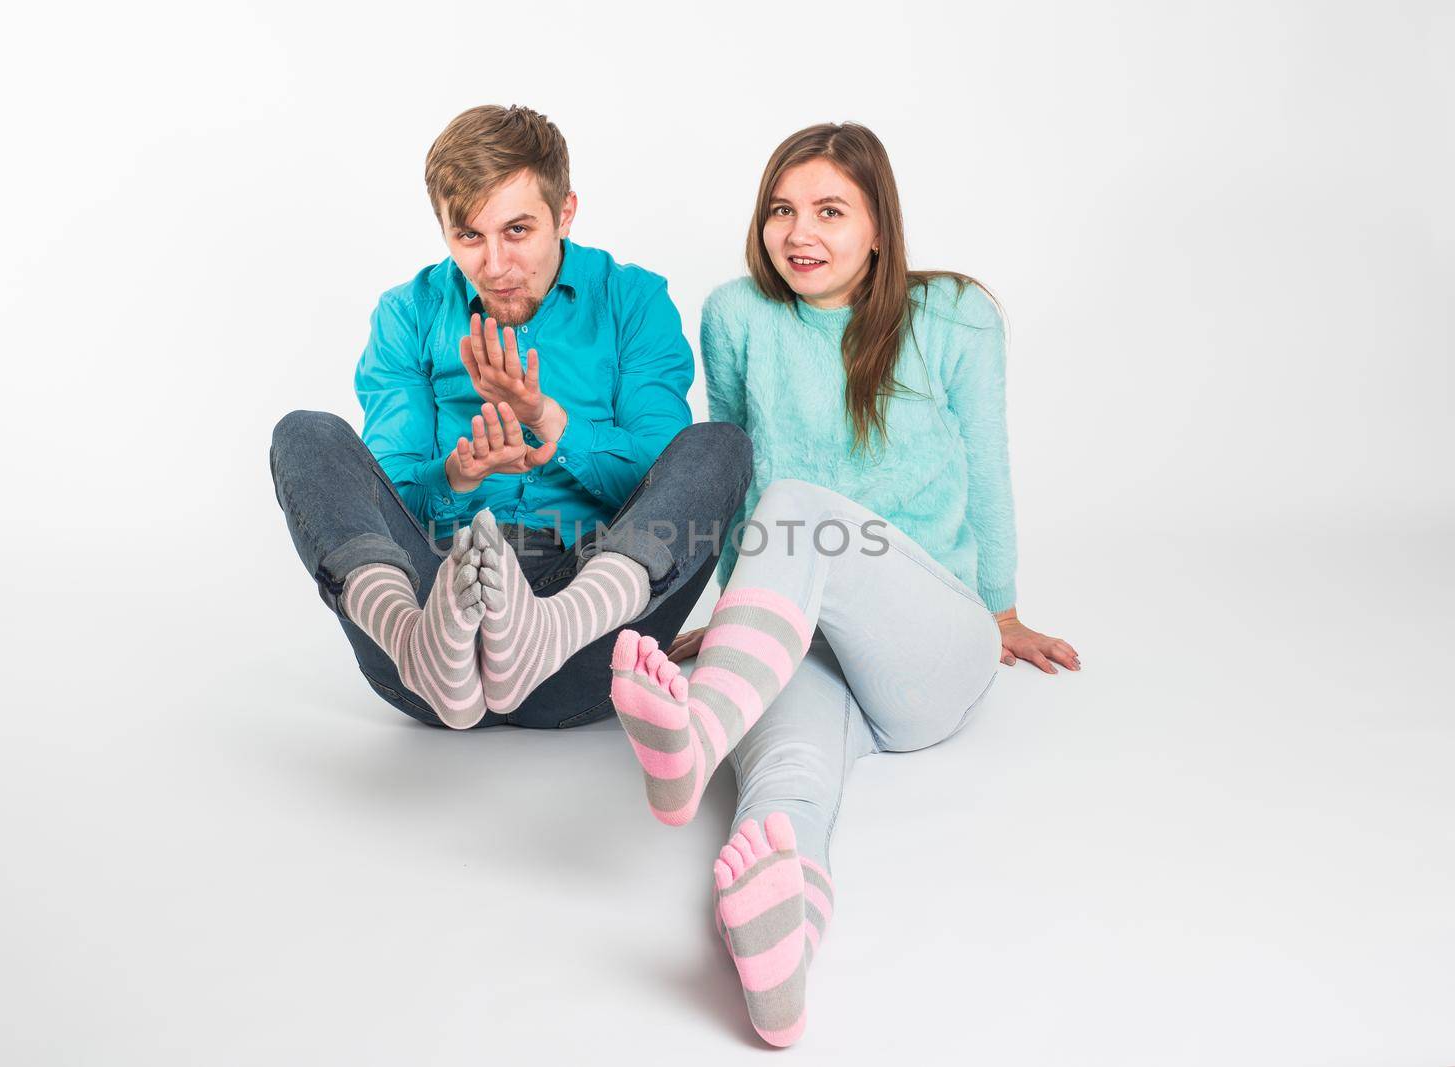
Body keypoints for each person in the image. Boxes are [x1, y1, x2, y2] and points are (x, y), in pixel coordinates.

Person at [608, 123, 1081, 1046]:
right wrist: (739, 618)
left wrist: (1004, 610)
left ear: (878, 228)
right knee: (785, 788)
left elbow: (988, 464)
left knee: (797, 501)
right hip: (805, 635)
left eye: (829, 211)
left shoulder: (952, 315)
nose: (799, 232)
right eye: (781, 210)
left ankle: (698, 733)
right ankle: (780, 957)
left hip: (929, 642)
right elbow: (732, 472)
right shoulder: (739, 316)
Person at [270, 105, 751, 730]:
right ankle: (416, 644)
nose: (495, 265)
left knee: (719, 446)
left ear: (566, 213)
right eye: (470, 236)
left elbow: (666, 478)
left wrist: (549, 421)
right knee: (305, 433)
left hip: (584, 636)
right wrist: (455, 478)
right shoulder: (408, 313)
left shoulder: (632, 300)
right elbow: (374, 497)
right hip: (428, 629)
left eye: (517, 231)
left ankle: (550, 629)